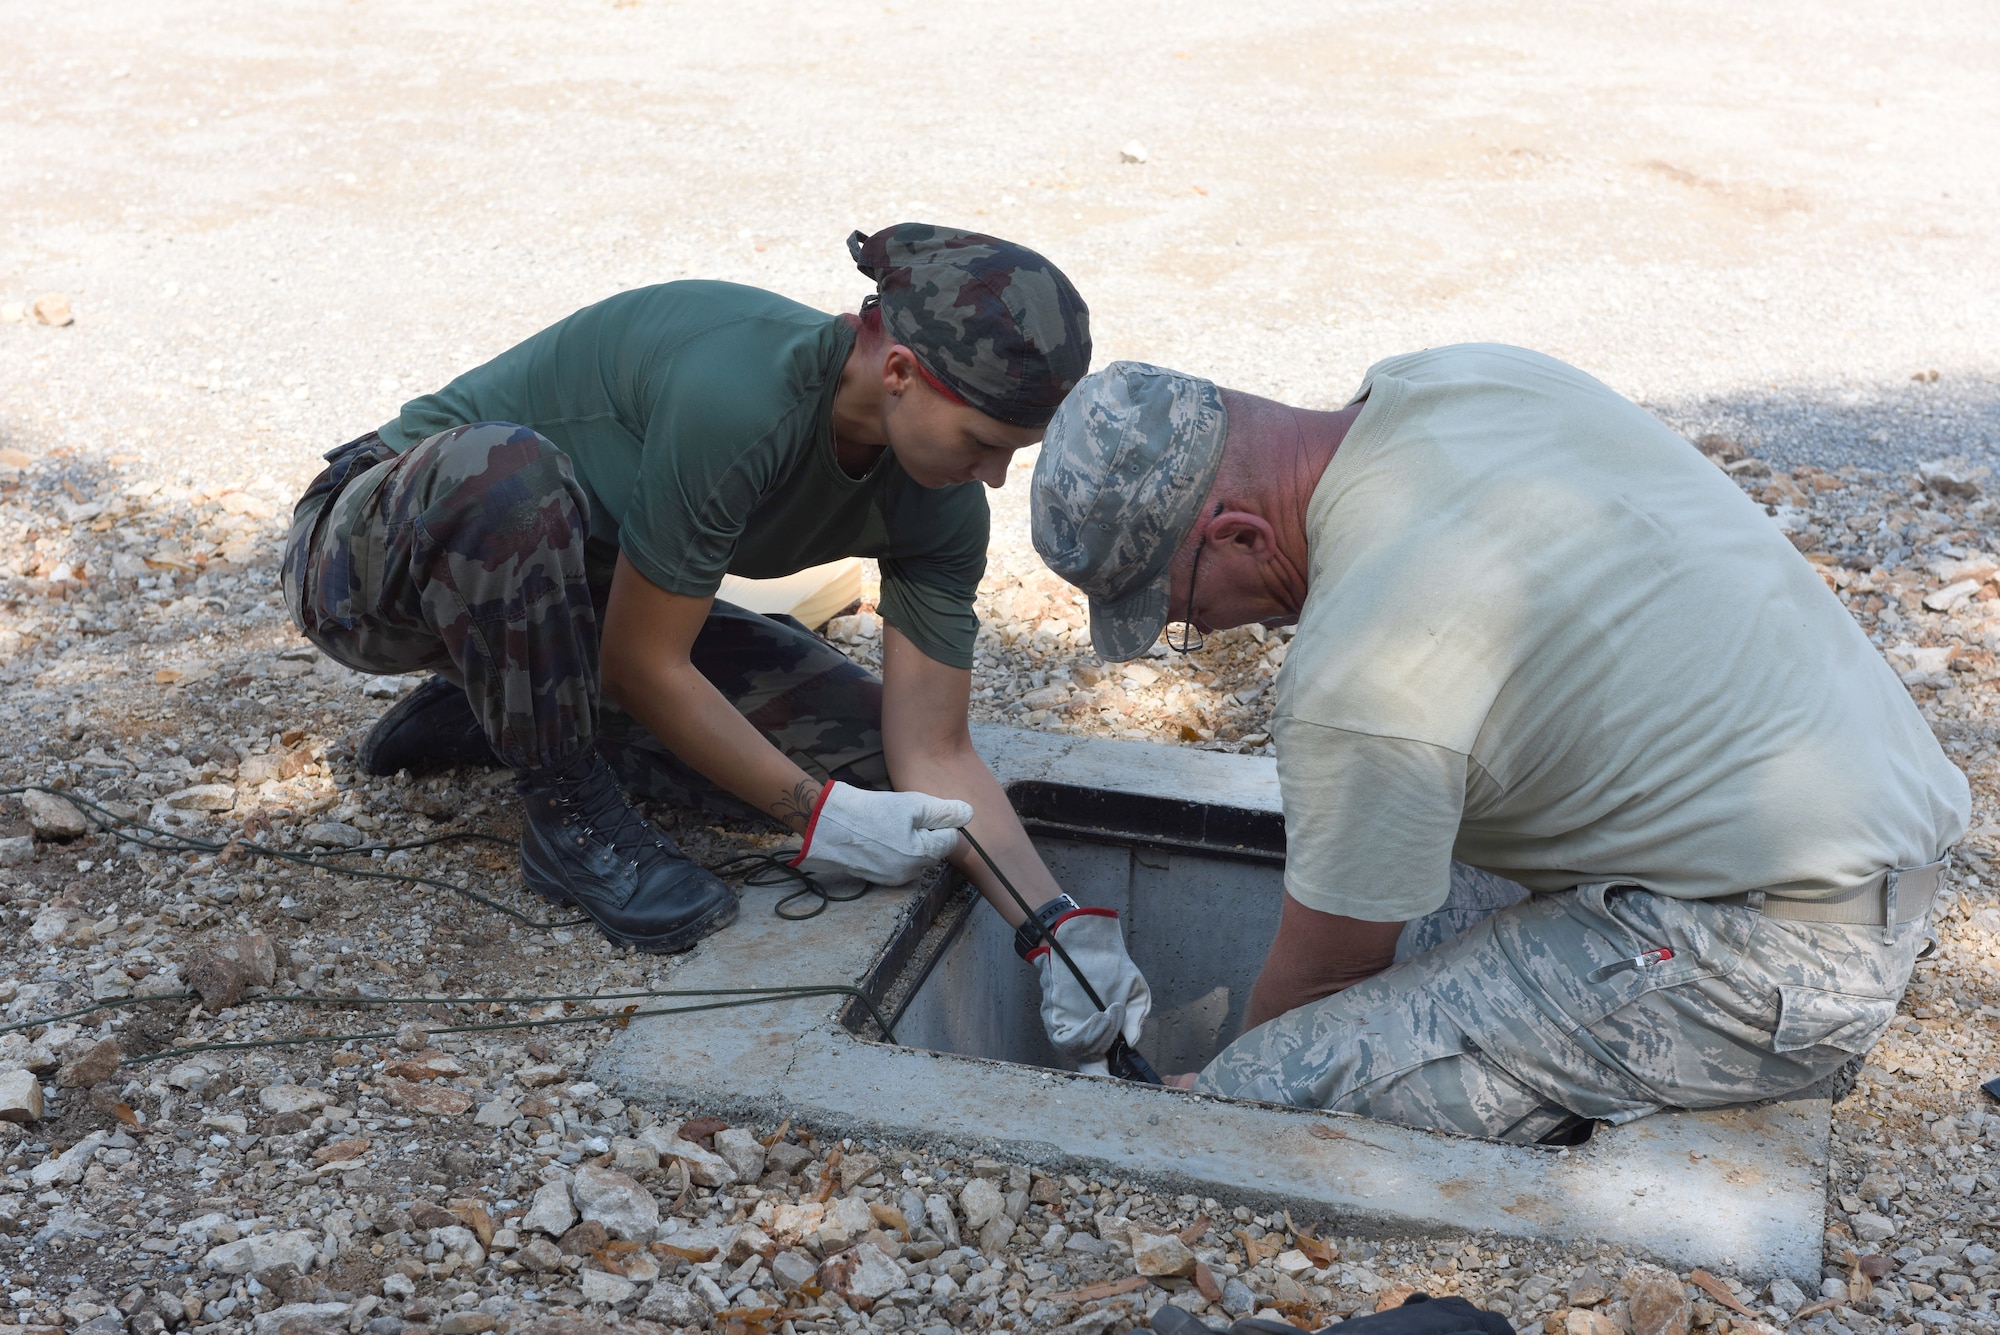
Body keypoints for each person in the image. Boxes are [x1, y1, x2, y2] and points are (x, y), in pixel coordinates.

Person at [1029, 346, 1967, 1141]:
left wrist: (1237, 1084)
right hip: (1856, 839)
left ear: (1235, 533)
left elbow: (1330, 971)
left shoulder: (1363, 665)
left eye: (1186, 613)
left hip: (1772, 957)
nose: (1210, 631)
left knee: (1264, 1100)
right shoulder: (1458, 380)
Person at [280, 224, 1151, 1074]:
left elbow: (935, 748)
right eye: (985, 444)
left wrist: (1053, 924)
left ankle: (512, 705)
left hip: (579, 602)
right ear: (899, 372)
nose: (995, 477)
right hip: (378, 553)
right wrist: (814, 815)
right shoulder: (739, 395)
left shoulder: (941, 505)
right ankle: (565, 811)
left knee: (878, 774)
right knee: (506, 472)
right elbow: (644, 664)